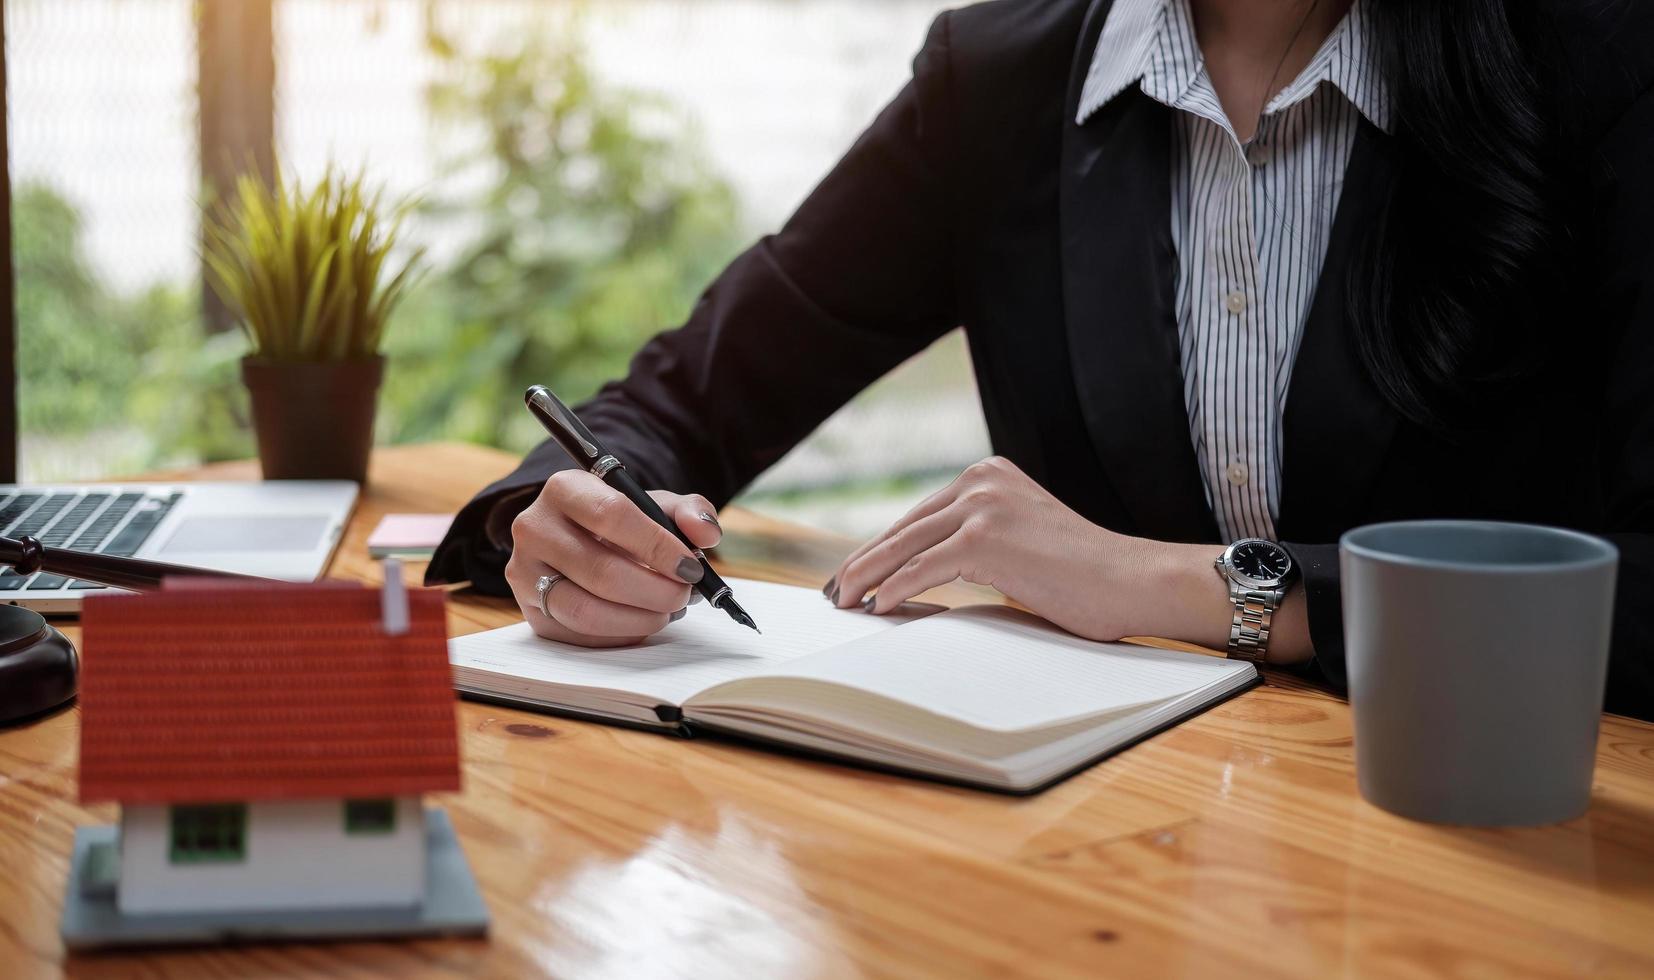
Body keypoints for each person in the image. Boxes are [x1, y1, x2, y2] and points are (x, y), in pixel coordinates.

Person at [427, 0, 1654, 720]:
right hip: (1093, 840)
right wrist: (569, 513)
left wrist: (1187, 586)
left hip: (1494, 836)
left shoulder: (1602, 62)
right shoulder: (996, 80)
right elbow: (688, 396)